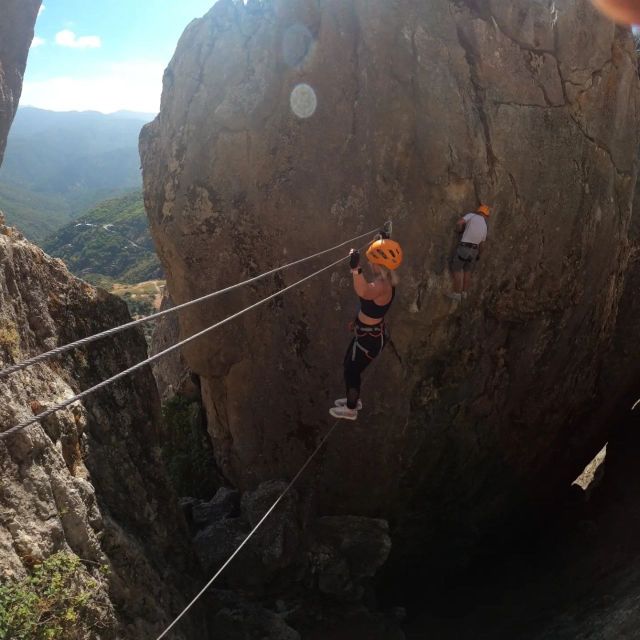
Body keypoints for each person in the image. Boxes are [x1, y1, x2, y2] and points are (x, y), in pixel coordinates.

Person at [330, 235, 403, 421]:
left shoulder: (381, 285)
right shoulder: (387, 279)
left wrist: (355, 269)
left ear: (379, 264)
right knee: (349, 364)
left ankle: (351, 408)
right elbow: (368, 306)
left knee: (351, 371)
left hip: (368, 339)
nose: (370, 265)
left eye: (372, 262)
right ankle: (352, 398)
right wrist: (384, 240)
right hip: (368, 334)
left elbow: (363, 291)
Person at [448, 204, 490, 302]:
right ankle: (464, 292)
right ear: (486, 215)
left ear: (478, 211)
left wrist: (460, 230)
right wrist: (479, 255)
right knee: (467, 271)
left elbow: (459, 222)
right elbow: (482, 244)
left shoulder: (472, 215)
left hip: (464, 248)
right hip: (474, 251)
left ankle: (457, 294)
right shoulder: (485, 226)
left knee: (457, 269)